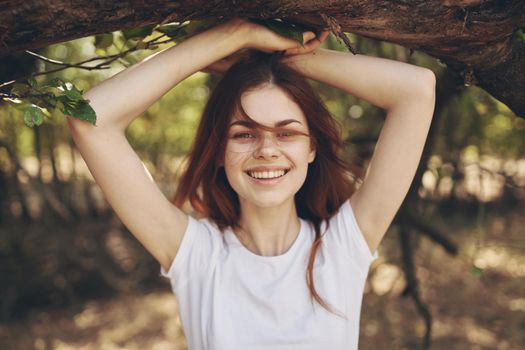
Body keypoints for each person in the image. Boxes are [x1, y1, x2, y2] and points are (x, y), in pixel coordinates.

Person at [67, 18, 436, 350]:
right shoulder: (197, 256)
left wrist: (269, 57)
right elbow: (91, 119)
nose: (267, 150)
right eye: (245, 135)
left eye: (286, 133)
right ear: (218, 152)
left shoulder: (342, 247)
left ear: (311, 148)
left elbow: (417, 89)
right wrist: (235, 34)